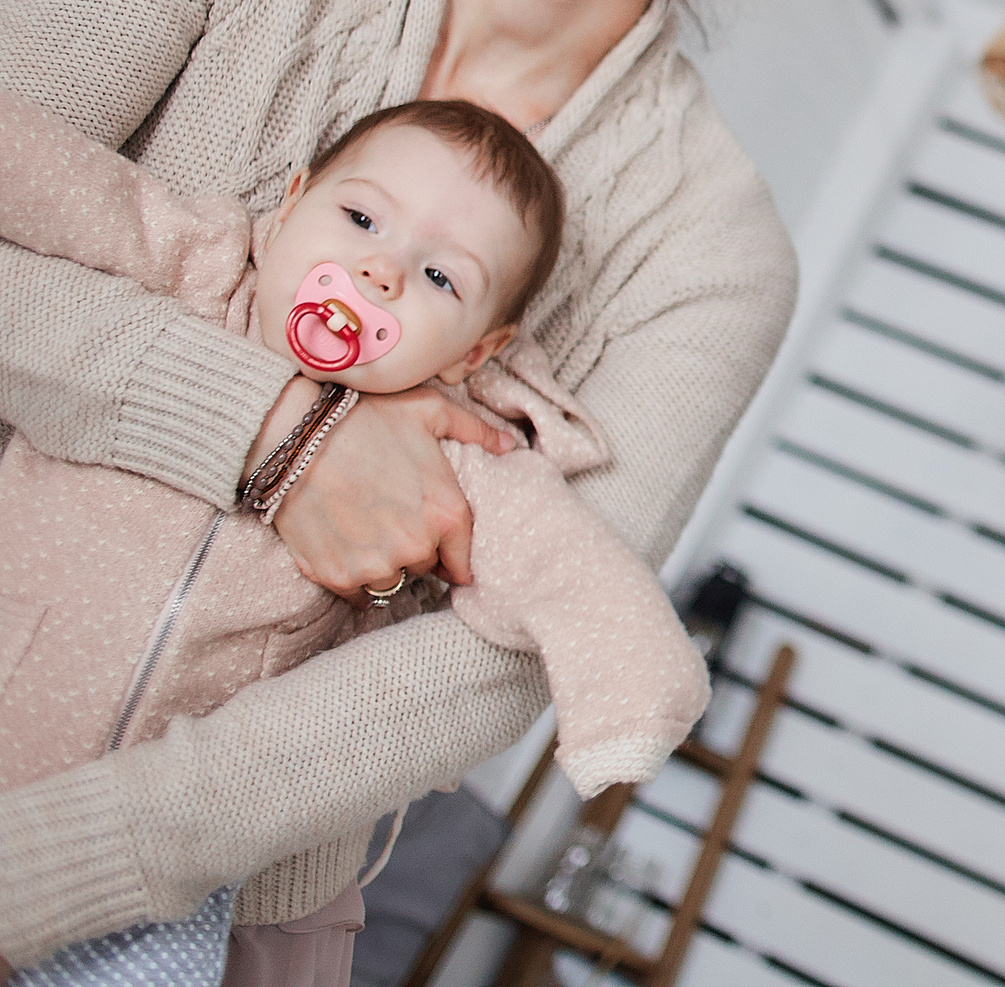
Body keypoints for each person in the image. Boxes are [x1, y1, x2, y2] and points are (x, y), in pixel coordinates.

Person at [0, 0, 802, 983]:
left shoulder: (720, 247)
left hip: (218, 891)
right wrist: (280, 433)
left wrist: (75, 858)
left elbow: (512, 638)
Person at [0, 94, 709, 837]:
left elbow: (570, 572)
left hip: (168, 819)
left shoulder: (459, 457)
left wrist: (633, 701)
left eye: (440, 277)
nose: (380, 270)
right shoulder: (200, 266)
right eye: (362, 220)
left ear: (474, 351)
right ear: (289, 208)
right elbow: (60, 184)